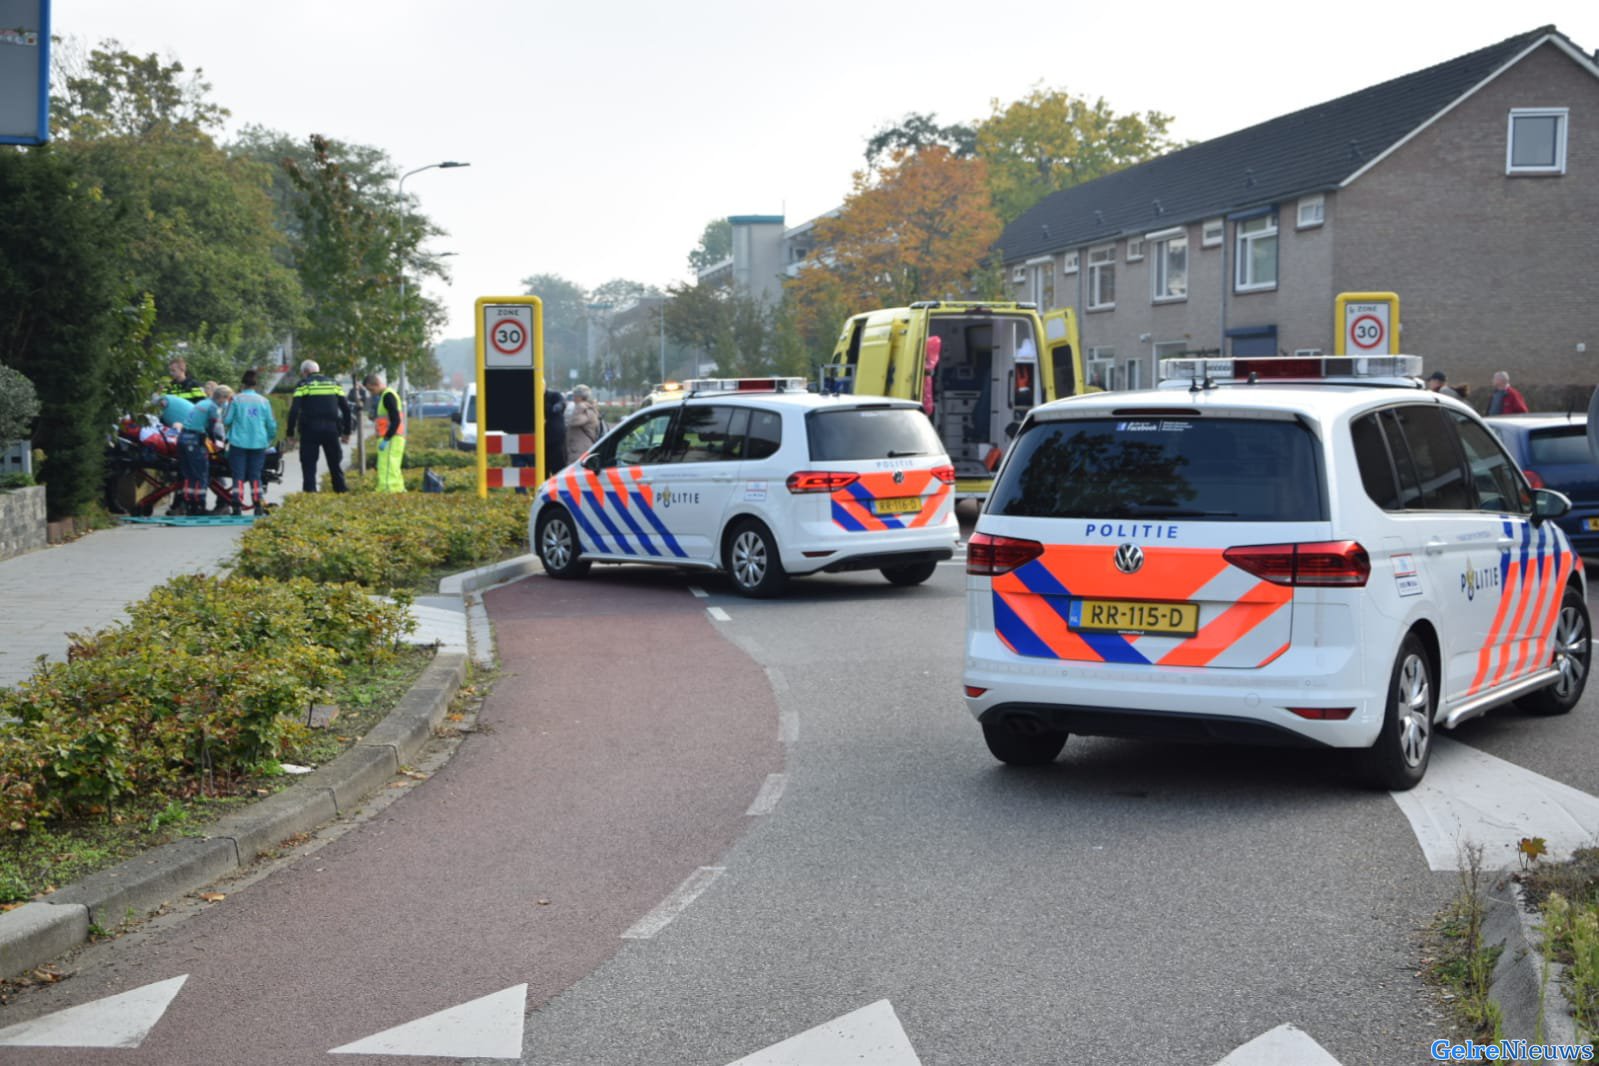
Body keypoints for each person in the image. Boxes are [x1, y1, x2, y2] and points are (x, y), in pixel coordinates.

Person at [286, 359, 353, 493]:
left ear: (305, 372)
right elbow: (346, 409)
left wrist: (290, 434)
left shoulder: (303, 385)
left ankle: (310, 494)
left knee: (309, 465)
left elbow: (294, 411)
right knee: (335, 464)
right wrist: (347, 432)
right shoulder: (334, 383)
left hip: (309, 430)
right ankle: (341, 491)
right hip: (332, 429)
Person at [224, 369, 277, 515]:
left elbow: (227, 420)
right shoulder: (264, 401)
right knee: (255, 475)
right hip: (259, 443)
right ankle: (258, 504)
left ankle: (237, 505)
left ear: (242, 383)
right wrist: (269, 439)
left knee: (238, 475)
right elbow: (271, 424)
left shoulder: (236, 399)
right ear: (256, 384)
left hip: (238, 443)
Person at [178, 383, 226, 514]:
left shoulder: (201, 403)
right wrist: (220, 444)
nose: (225, 402)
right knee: (201, 474)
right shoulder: (212, 407)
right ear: (221, 398)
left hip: (182, 439)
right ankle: (199, 504)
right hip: (194, 440)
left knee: (189, 475)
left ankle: (189, 504)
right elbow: (214, 429)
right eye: (225, 399)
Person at [365, 372, 406, 493]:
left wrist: (387, 438)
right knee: (392, 466)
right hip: (393, 438)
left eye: (371, 389)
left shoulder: (388, 396)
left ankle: (387, 489)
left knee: (387, 465)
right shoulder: (386, 395)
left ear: (376, 384)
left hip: (391, 438)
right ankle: (398, 489)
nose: (370, 392)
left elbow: (395, 419)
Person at [566, 384, 601, 461]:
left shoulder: (586, 411)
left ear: (580, 397)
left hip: (580, 451)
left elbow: (574, 421)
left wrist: (579, 406)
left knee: (575, 472)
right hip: (577, 449)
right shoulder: (585, 409)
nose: (573, 398)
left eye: (575, 396)